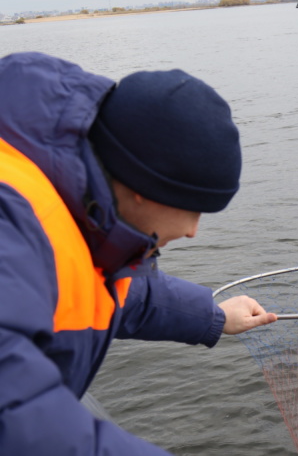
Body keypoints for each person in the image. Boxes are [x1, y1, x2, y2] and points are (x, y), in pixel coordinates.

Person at [0, 52, 278, 455]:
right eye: (192, 208)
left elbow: (107, 290)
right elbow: (14, 411)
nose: (192, 232)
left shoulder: (73, 205)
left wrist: (213, 316)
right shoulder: (12, 222)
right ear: (142, 188)